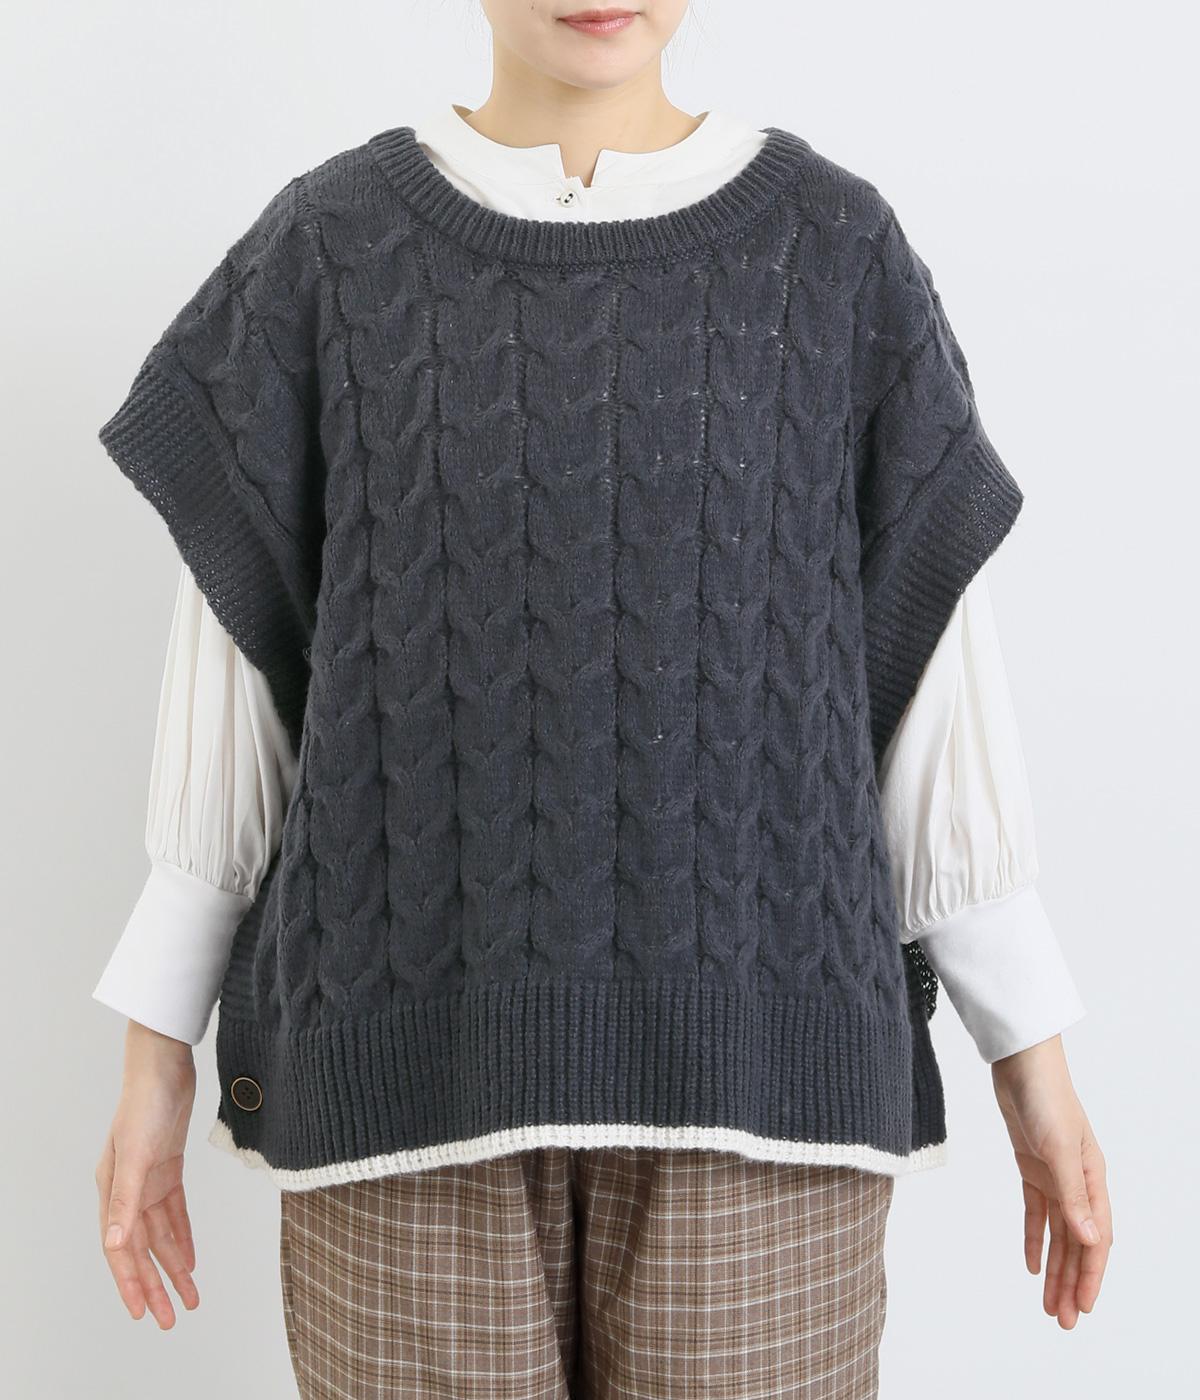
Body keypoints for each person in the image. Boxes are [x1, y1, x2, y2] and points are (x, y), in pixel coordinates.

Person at [92, 3, 1113, 1395]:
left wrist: (1031, 1062)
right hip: (406, 1100)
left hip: (761, 1101)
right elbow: (236, 696)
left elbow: (929, 693)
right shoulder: (326, 255)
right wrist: (155, 1056)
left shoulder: (833, 254)